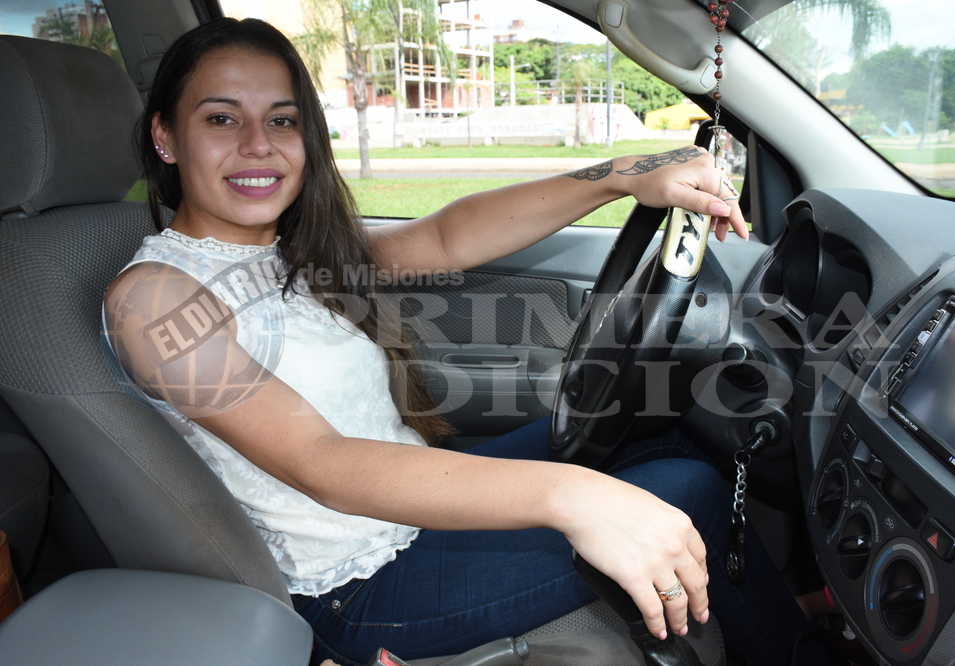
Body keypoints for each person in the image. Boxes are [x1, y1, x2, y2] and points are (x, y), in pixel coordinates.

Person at [101, 17, 822, 666]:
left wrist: (623, 176)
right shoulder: (155, 297)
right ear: (165, 137)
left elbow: (447, 237)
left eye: (282, 120)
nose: (258, 144)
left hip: (407, 513)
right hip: (361, 586)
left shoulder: (288, 252)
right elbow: (321, 461)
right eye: (221, 118)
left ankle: (764, 612)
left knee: (660, 428)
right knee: (688, 489)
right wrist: (575, 498)